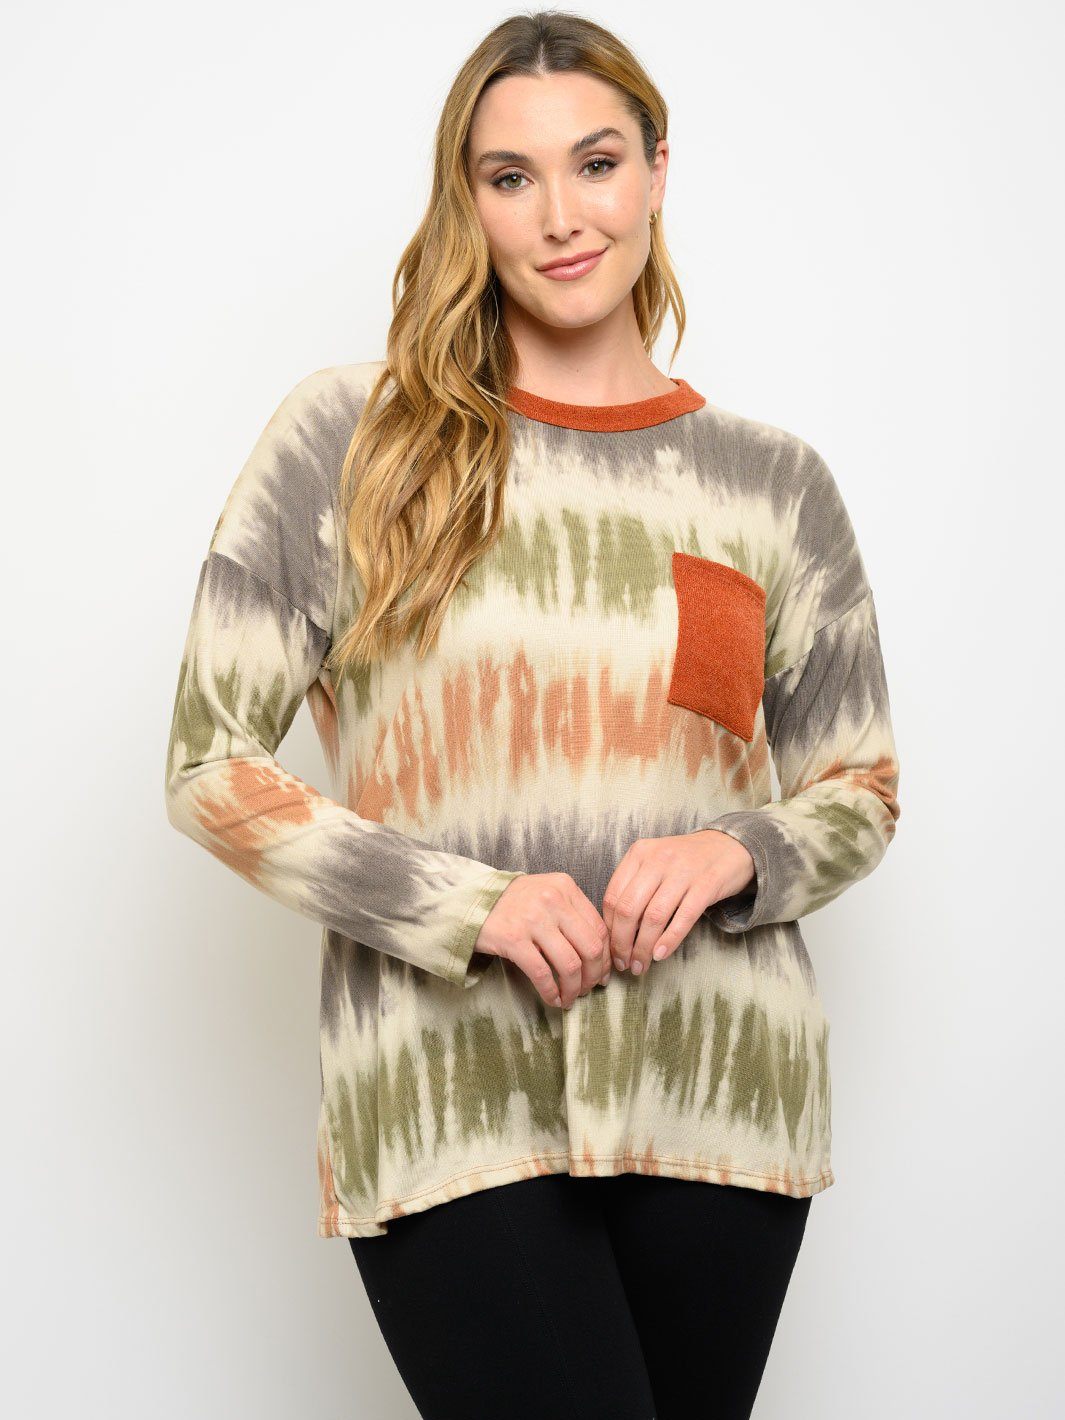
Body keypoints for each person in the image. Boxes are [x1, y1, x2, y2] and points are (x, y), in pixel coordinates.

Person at [164, 11, 901, 1418]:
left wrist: (736, 848)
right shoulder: (353, 443)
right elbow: (210, 765)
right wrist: (471, 905)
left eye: (596, 163)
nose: (561, 216)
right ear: (468, 201)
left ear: (657, 174)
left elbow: (859, 788)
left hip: (717, 1096)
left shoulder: (772, 485)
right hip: (448, 1094)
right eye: (511, 176)